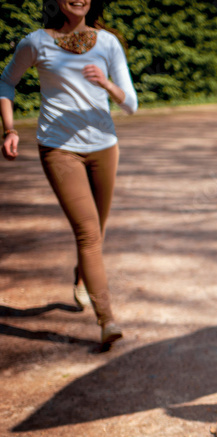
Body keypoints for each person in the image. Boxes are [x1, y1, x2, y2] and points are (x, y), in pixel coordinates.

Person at [1, 0, 138, 347]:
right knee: (89, 233)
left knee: (97, 231)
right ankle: (107, 320)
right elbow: (6, 82)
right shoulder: (35, 42)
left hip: (105, 147)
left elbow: (131, 104)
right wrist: (10, 129)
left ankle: (82, 277)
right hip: (59, 148)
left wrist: (106, 85)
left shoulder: (108, 43)